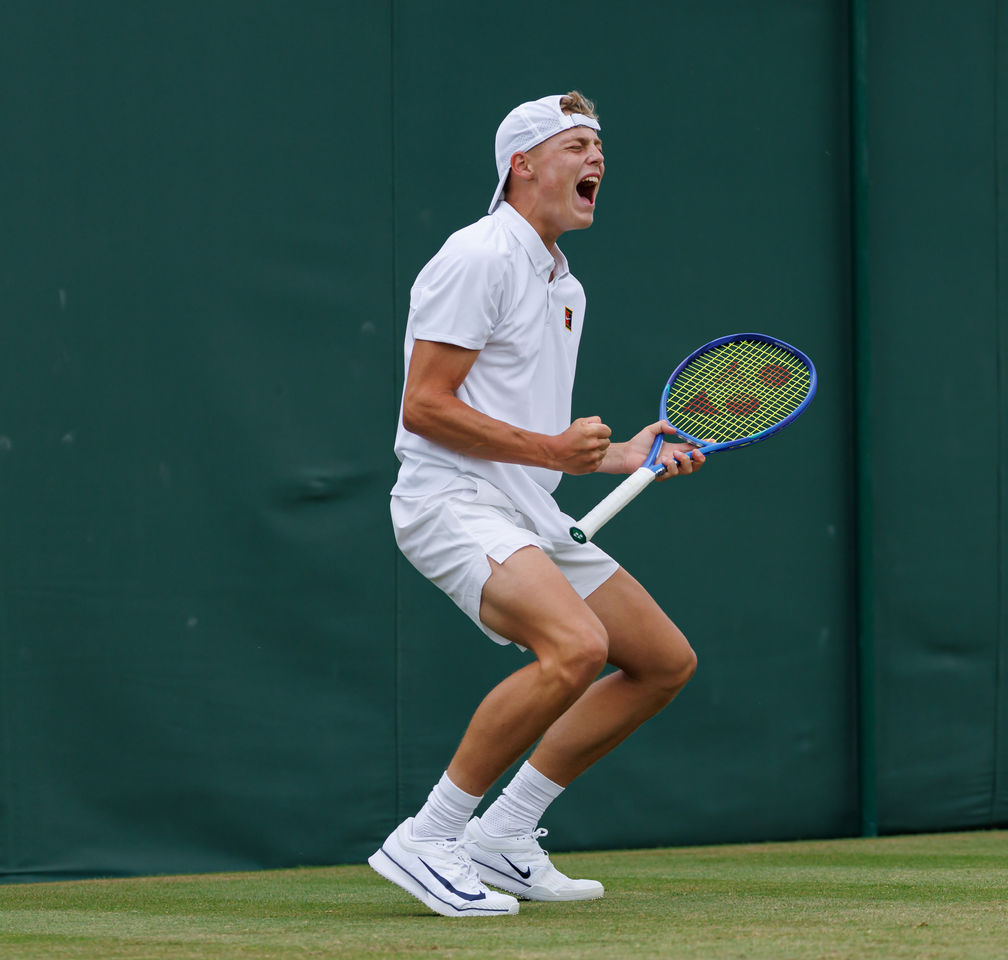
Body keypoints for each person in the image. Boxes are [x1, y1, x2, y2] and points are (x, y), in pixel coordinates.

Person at [368, 92, 703, 918]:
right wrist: (554, 452)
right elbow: (427, 406)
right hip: (450, 500)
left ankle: (504, 836)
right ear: (523, 165)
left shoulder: (562, 283)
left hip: (527, 510)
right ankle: (431, 835)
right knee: (575, 646)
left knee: (660, 661)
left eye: (600, 149)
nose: (596, 161)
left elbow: (517, 416)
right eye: (577, 145)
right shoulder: (478, 255)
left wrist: (618, 457)